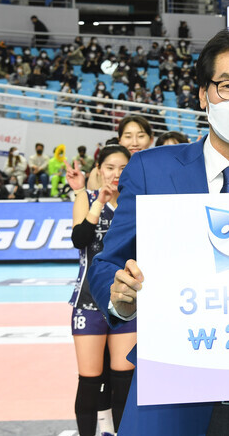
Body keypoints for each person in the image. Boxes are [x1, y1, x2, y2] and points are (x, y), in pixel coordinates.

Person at [88, 28, 229, 435]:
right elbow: (107, 263)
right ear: (203, 96)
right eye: (227, 86)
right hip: (171, 398)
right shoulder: (152, 170)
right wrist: (121, 298)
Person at [67, 145, 136, 436]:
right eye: (110, 168)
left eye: (123, 168)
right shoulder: (86, 198)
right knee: (89, 380)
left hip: (127, 303)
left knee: (124, 379)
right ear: (99, 170)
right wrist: (99, 202)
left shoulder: (136, 203)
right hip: (88, 303)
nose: (116, 174)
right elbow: (79, 239)